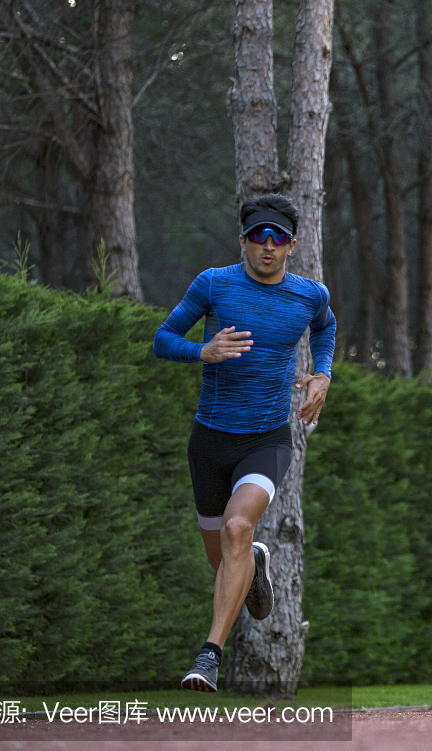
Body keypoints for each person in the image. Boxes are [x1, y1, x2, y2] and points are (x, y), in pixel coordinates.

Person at [153, 193, 336, 692]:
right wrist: (202, 350)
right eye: (259, 236)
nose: (268, 246)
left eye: (278, 238)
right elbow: (163, 339)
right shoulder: (213, 284)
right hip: (210, 442)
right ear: (243, 241)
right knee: (223, 562)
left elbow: (326, 328)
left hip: (267, 439)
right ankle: (254, 562)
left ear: (292, 246)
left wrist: (322, 373)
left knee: (238, 526)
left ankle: (208, 656)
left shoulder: (310, 295)